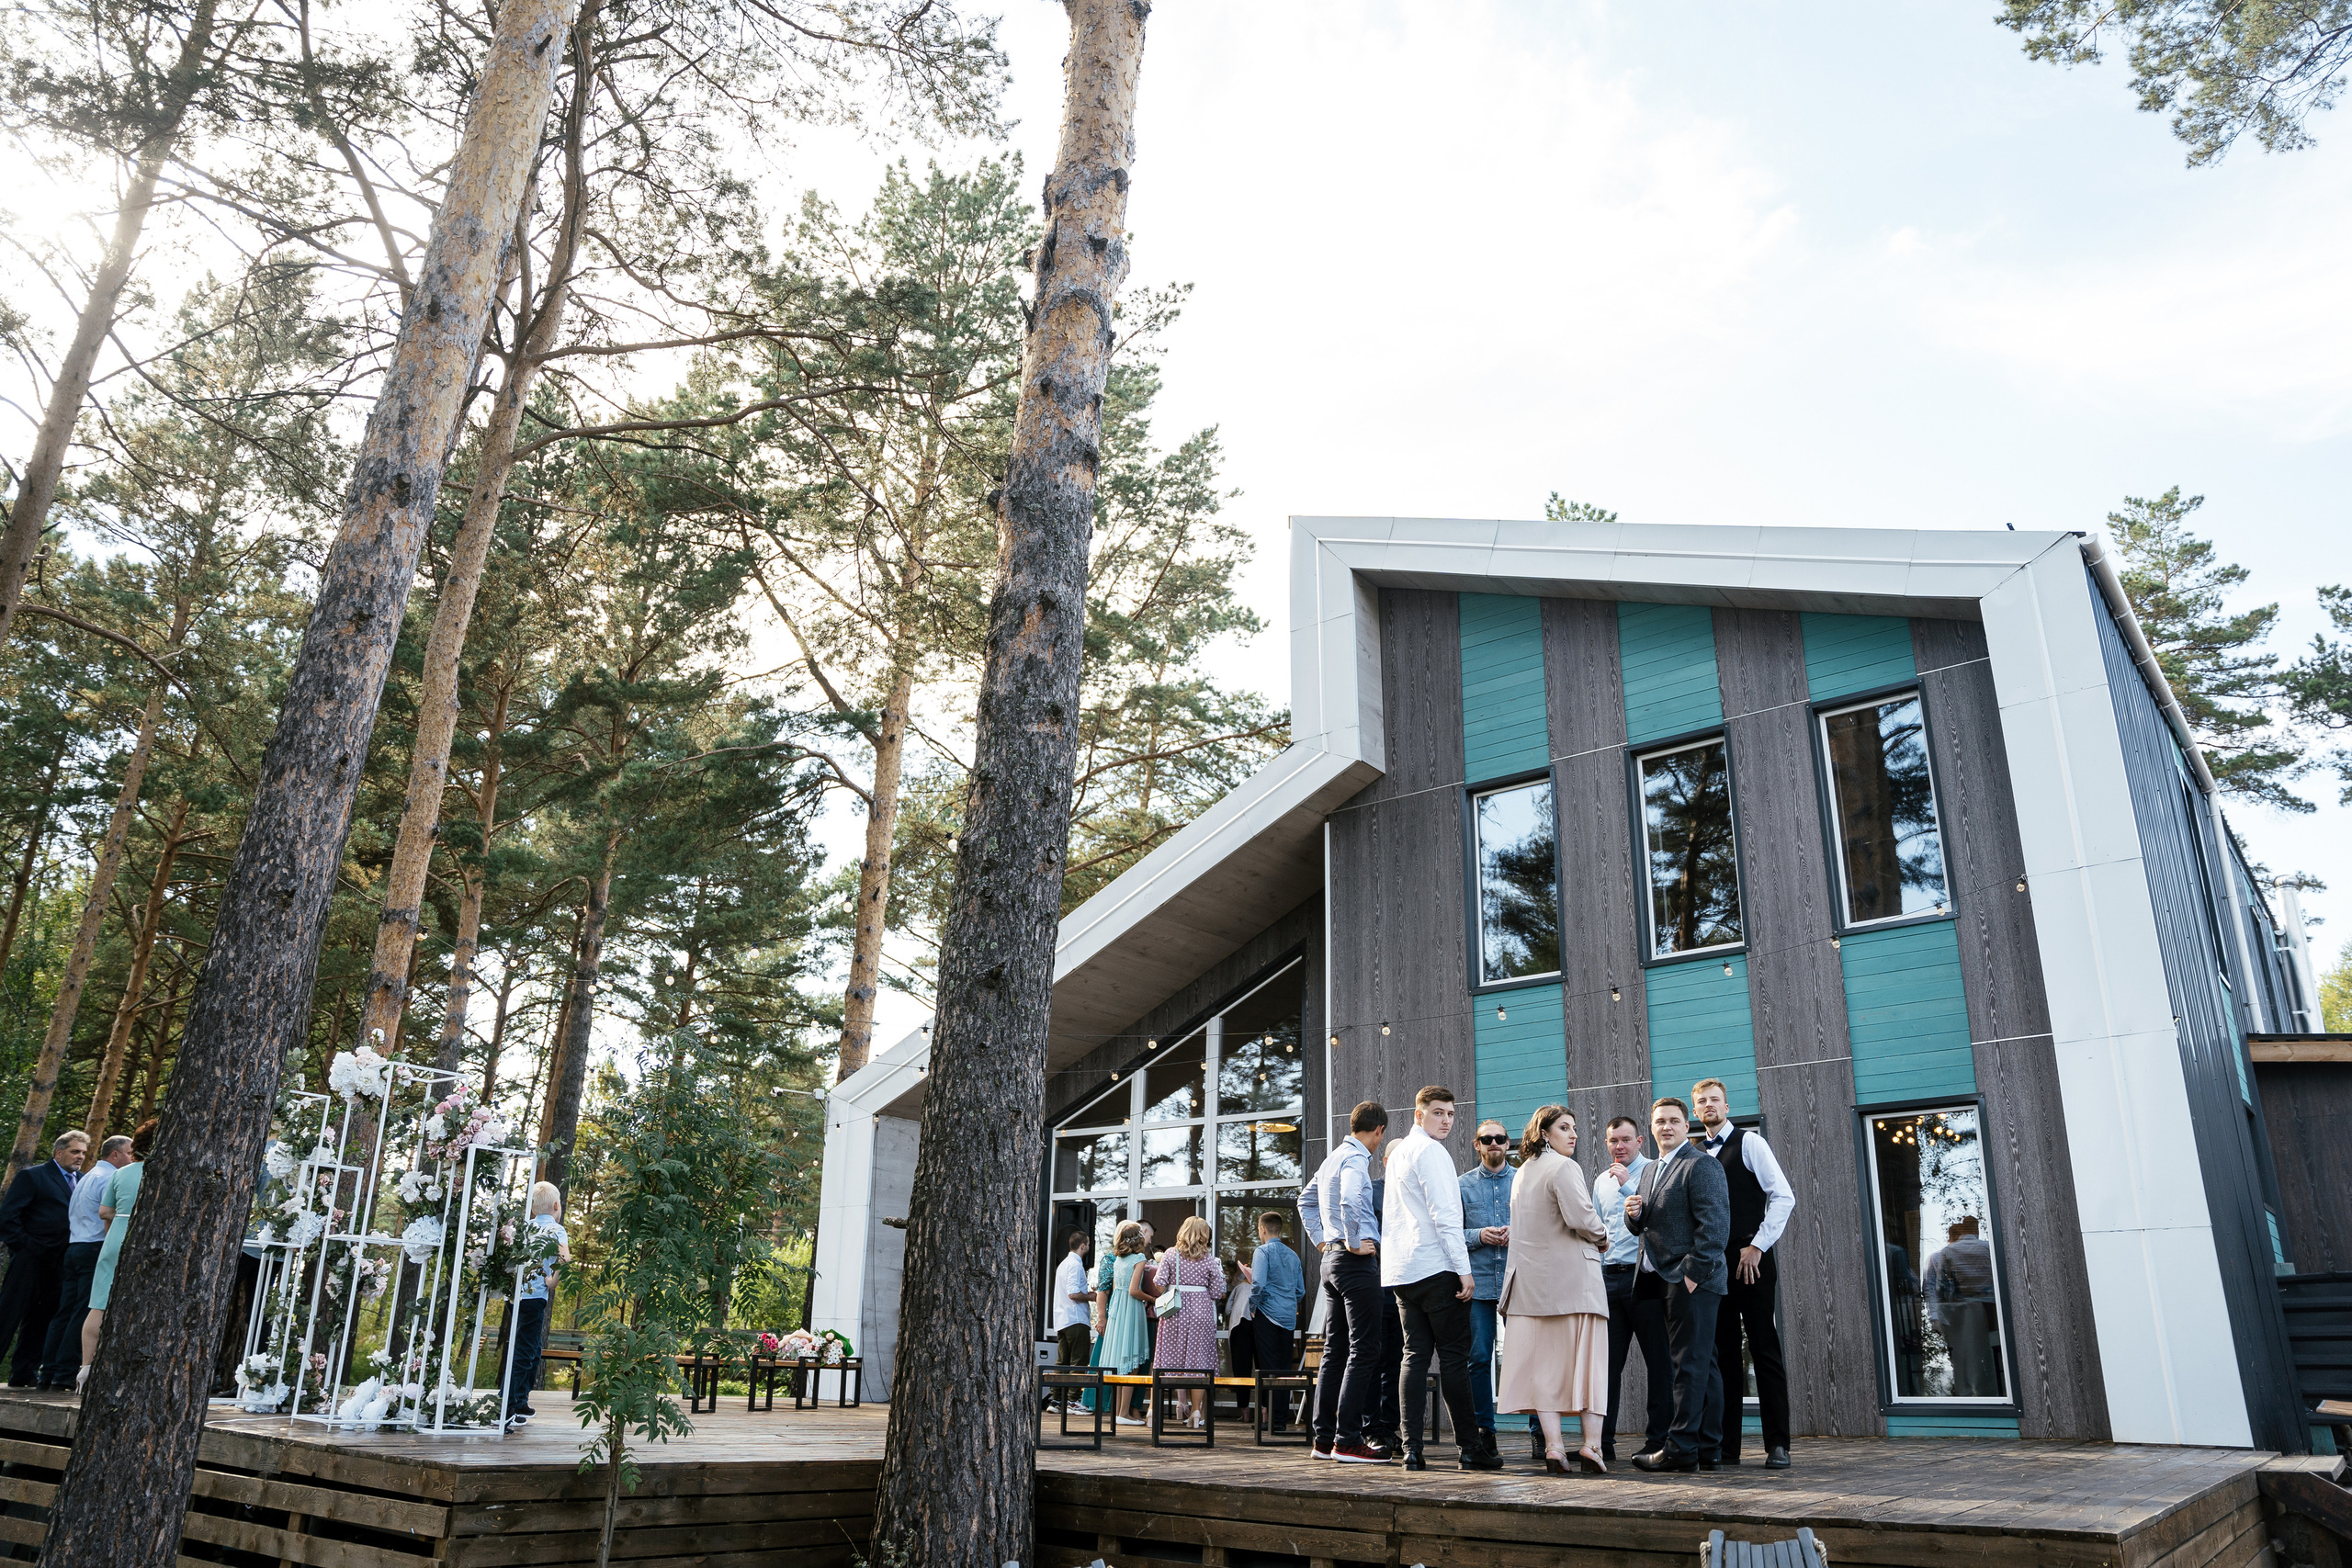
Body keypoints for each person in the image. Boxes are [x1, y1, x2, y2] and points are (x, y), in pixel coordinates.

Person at [1383, 1086, 1498, 1472]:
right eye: (1437, 1113)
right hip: (1436, 1267)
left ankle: (1411, 1449)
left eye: (1450, 1113)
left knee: (1413, 1358)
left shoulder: (1398, 1153)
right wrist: (1464, 1270)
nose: (1445, 1120)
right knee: (1453, 1358)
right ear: (1419, 1115)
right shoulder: (1432, 1152)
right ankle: (1469, 1448)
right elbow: (1445, 1216)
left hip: (1403, 1271)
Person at [1498, 1105, 1612, 1473]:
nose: (1573, 1134)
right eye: (1565, 1127)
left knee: (1545, 1370)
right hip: (1575, 1282)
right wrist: (1603, 1235)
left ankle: (1554, 1448)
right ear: (1544, 1132)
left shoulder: (1522, 1172)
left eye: (1574, 1128)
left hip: (1530, 1287)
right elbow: (1582, 1217)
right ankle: (1592, 1446)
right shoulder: (1565, 1167)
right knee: (1590, 1365)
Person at [1690, 1078, 1796, 1469]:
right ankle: (1726, 1447)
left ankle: (1778, 1445)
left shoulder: (1750, 1143)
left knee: (1764, 1348)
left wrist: (1757, 1246)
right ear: (1696, 1112)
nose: (1709, 1106)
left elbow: (1783, 1195)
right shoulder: (1696, 1153)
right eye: (1702, 1102)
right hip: (1714, 1269)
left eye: (1715, 1099)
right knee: (1723, 1356)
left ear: (1727, 1106)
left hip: (1752, 1263)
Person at [1625, 1097, 1729, 1473]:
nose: (1666, 1127)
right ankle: (1708, 1448)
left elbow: (1715, 1227)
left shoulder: (1702, 1165)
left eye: (1673, 1121)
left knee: (1689, 1365)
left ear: (1688, 1127)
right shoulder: (1651, 1169)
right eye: (1659, 1122)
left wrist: (1691, 1274)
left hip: (1692, 1280)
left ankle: (1681, 1448)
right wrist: (1633, 1217)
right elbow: (1647, 1225)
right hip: (1658, 1278)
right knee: (1704, 1365)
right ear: (1651, 1129)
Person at [1299, 1100, 1391, 1462]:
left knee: (1336, 1351)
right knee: (1364, 1349)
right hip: (1353, 1263)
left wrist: (1324, 1241)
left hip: (1331, 1262)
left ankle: (1323, 1440)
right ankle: (1347, 1439)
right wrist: (1352, 1241)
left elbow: (1305, 1201)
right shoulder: (1356, 1159)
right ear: (1379, 1131)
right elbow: (1352, 1200)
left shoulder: (1332, 1157)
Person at [1592, 1115, 1670, 1465]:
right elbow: (1596, 1230)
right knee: (1606, 1367)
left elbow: (1656, 1222)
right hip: (1609, 1279)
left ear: (1641, 1141)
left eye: (1625, 1140)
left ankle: (1658, 1441)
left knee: (1659, 1363)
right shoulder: (1599, 1181)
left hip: (1647, 1279)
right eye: (1613, 1141)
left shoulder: (1656, 1172)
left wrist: (1627, 1186)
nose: (1619, 1146)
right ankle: (1602, 1442)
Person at [36, 1134, 130, 1390]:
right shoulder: (111, 1177)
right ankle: (65, 1373)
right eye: (128, 1153)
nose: (131, 1158)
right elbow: (107, 1215)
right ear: (115, 1155)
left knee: (65, 1311)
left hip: (75, 1247)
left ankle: (48, 1370)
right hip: (94, 1248)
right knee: (85, 1312)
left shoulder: (87, 1176)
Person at [0, 1131, 87, 1386]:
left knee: (43, 1320)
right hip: (29, 1260)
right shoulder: (33, 1176)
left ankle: (24, 1373)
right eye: (75, 1151)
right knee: (8, 1315)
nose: (80, 1157)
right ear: (58, 1152)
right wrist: (26, 1247)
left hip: (60, 1262)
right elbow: (7, 1217)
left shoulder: (82, 1181)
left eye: (83, 1152)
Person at [78, 1119, 154, 1389]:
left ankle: (86, 1368)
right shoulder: (165, 1173)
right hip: (147, 1238)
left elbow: (104, 1212)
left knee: (99, 1304)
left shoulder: (121, 1173)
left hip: (116, 1235)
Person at [1459, 1117, 1519, 1456]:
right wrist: (1478, 1235)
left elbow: (1542, 1228)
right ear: (1476, 1144)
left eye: (1500, 1138)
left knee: (1527, 1358)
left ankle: (1539, 1431)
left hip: (1518, 1282)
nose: (1493, 1144)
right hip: (1477, 1285)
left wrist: (1517, 1232)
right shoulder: (1461, 1185)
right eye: (1487, 1139)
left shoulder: (1524, 1180)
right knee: (1478, 1358)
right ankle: (1485, 1431)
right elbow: (1450, 1233)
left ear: (1508, 1144)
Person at [502, 1180, 571, 1427]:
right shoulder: (556, 1230)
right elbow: (566, 1258)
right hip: (534, 1297)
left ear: (532, 1209)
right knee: (526, 1351)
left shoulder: (525, 1227)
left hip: (515, 1296)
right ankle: (509, 1405)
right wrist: (552, 1281)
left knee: (525, 1348)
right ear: (556, 1205)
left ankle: (518, 1400)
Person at [1153, 1215, 1227, 1428]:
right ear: (1205, 1235)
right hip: (1201, 1313)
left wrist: (1175, 1288)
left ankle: (1153, 1411)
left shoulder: (1170, 1255)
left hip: (1175, 1312)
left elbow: (1158, 1284)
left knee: (1166, 1359)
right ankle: (1196, 1412)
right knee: (1199, 1363)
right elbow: (1217, 1292)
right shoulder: (1211, 1260)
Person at [1238, 1210, 1303, 1430]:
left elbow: (1258, 1283)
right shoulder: (1293, 1255)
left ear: (1262, 1229)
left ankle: (1270, 1422)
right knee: (1285, 1369)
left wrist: (1254, 1306)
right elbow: (1300, 1290)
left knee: (1267, 1368)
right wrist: (1289, 1304)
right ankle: (1280, 1421)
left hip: (1267, 1314)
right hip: (1287, 1317)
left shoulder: (1262, 1252)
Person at [1923, 1216, 1999, 1396]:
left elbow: (1940, 1287)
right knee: (1988, 1352)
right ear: (1976, 1231)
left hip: (1961, 1310)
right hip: (1991, 1309)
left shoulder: (1947, 1252)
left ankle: (1966, 1392)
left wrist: (1939, 1314)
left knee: (1963, 1354)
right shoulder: (1989, 1248)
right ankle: (1989, 1393)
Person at [1101, 1221, 1155, 1424]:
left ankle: (1117, 1411)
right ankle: (1123, 1413)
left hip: (1117, 1308)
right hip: (1131, 1308)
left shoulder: (1117, 1260)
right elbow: (1134, 1290)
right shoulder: (1139, 1258)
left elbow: (1117, 1288)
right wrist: (1152, 1299)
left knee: (1119, 1360)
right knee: (1131, 1359)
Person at [1050, 1230, 1096, 1406]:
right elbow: (1073, 1294)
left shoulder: (1063, 1264)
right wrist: (1092, 1296)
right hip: (1076, 1318)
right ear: (1083, 1246)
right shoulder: (1076, 1265)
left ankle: (1056, 1399)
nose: (1089, 1248)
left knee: (1062, 1361)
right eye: (1089, 1244)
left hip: (1062, 1319)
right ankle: (1073, 1400)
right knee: (1079, 1361)